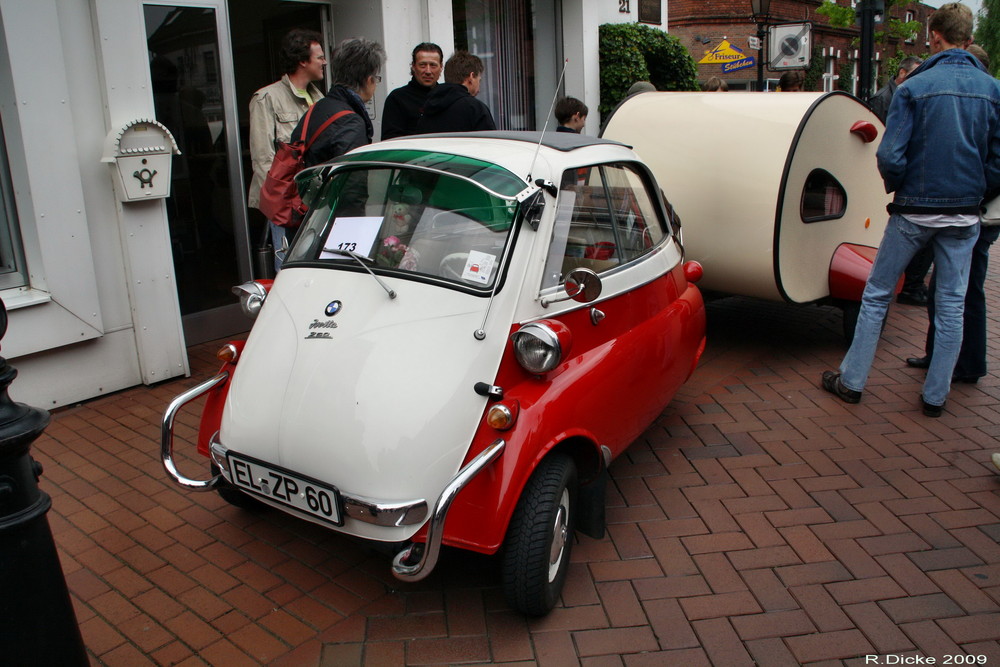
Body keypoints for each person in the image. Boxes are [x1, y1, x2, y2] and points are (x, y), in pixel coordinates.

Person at [820, 2, 1000, 418]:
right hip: (963, 213)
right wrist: (977, 191)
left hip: (914, 210)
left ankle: (853, 381)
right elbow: (996, 158)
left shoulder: (914, 88)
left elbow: (891, 155)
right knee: (953, 302)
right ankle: (935, 396)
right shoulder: (992, 90)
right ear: (968, 38)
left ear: (934, 37)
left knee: (878, 294)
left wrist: (899, 187)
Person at [905, 43, 999, 385]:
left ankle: (965, 364)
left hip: (974, 210)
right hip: (969, 207)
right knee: (950, 288)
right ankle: (943, 357)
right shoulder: (986, 100)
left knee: (963, 290)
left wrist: (975, 192)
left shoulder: (987, 100)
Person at [248, 29, 326, 270]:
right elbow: (263, 160)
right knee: (289, 268)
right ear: (303, 61)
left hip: (315, 200)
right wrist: (283, 208)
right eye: (319, 57)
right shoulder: (267, 98)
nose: (324, 62)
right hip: (287, 206)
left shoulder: (320, 98)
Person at [870, 57, 930, 306]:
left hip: (894, 174)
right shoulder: (885, 98)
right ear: (902, 73)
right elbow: (883, 144)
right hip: (889, 175)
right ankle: (906, 285)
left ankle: (906, 283)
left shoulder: (904, 95)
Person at [415, 51, 496, 133]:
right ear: (471, 77)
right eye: (479, 80)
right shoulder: (475, 108)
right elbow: (491, 142)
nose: (479, 88)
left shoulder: (428, 108)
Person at [380, 42, 443, 140]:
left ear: (441, 67)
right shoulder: (397, 99)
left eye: (433, 65)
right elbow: (390, 140)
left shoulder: (447, 97)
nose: (428, 71)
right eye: (422, 65)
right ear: (413, 66)